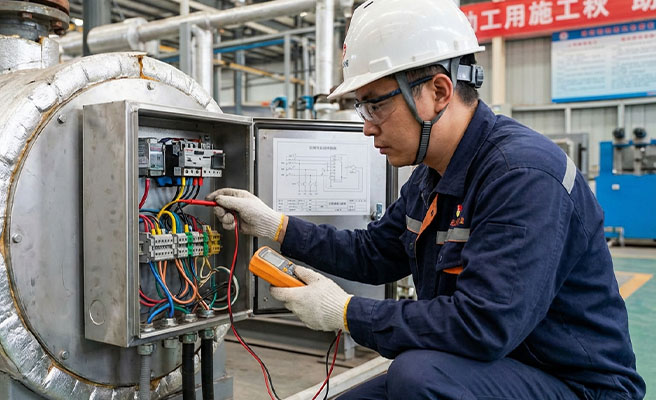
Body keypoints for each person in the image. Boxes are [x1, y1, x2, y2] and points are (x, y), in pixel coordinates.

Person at [206, 0, 646, 398]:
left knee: (418, 378)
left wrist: (347, 313)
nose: (366, 127)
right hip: (498, 366)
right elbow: (373, 253)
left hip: (576, 384)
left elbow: (483, 325)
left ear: (437, 92)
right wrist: (274, 225)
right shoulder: (433, 175)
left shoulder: (522, 176)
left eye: (374, 105)